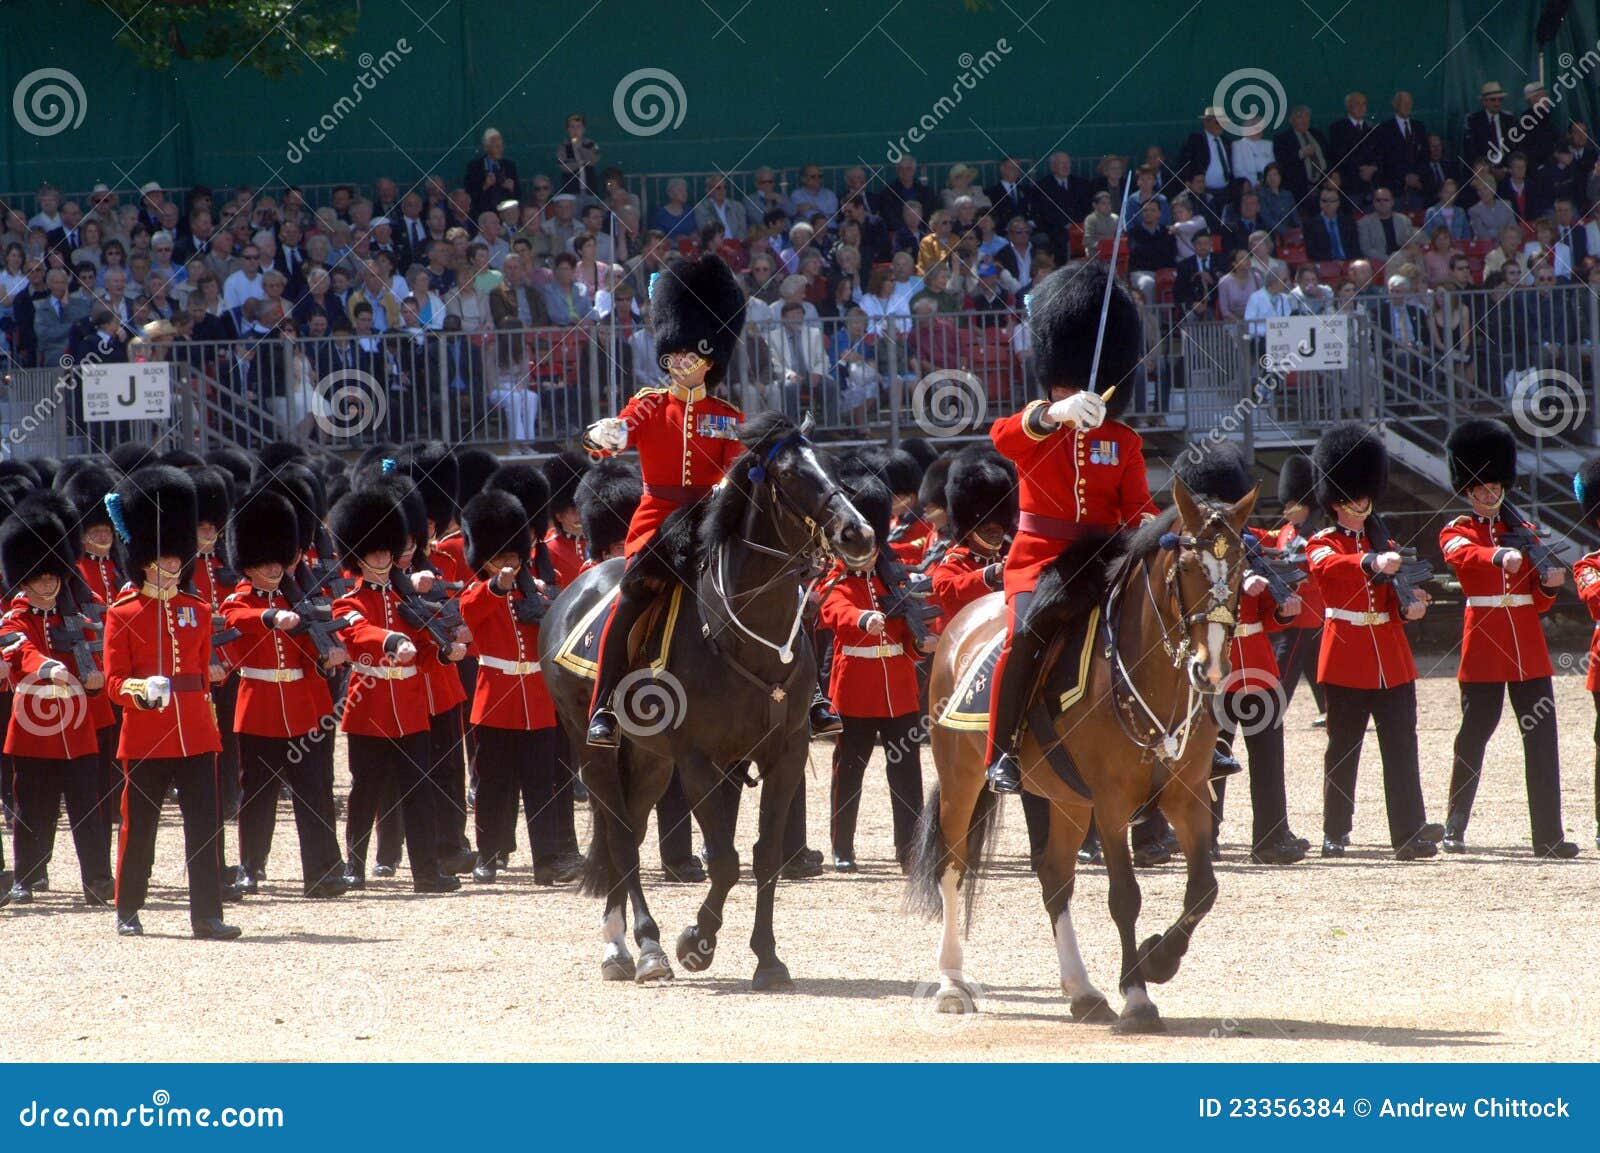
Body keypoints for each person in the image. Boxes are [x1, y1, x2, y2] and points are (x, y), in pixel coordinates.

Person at [984, 262, 1156, 793]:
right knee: (1023, 633)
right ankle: (1002, 750)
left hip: (1107, 557)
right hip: (1041, 556)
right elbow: (1003, 436)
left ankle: (1196, 741)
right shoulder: (1037, 427)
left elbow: (1138, 511)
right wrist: (1053, 413)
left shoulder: (1123, 441)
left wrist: (1160, 533)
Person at [102, 466, 240, 939]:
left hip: (197, 730)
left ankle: (207, 914)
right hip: (146, 733)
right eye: (163, 560)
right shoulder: (121, 615)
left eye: (177, 560)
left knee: (205, 826)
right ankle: (128, 907)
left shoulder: (197, 611)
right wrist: (142, 692)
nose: (173, 567)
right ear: (143, 562)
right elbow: (114, 682)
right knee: (139, 827)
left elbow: (201, 671)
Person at [1438, 420, 1576, 858]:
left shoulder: (1526, 531)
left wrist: (1551, 584)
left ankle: (1548, 836)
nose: (1488, 494)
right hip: (1484, 645)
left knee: (1542, 740)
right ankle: (1454, 825)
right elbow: (1463, 557)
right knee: (1474, 735)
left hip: (1528, 650)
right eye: (1480, 488)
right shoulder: (1457, 529)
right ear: (1467, 491)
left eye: (1494, 485)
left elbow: (1537, 603)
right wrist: (1501, 554)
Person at [1306, 424, 1443, 861]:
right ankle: (1335, 832)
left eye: (1365, 493)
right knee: (1344, 750)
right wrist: (1371, 561)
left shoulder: (1387, 543)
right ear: (1336, 499)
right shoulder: (1322, 542)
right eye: (1353, 494)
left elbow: (1395, 598)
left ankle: (1408, 831)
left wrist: (1411, 606)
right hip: (1346, 654)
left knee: (1401, 746)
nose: (1362, 501)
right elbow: (1331, 568)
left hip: (1392, 657)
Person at [331, 484, 462, 894]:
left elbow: (423, 648)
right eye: (375, 554)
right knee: (365, 790)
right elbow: (358, 634)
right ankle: (354, 865)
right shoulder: (348, 602)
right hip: (369, 707)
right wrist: (390, 641)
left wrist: (445, 652)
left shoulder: (405, 599)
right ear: (359, 557)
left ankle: (425, 870)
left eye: (387, 552)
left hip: (409, 707)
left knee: (419, 790)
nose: (384, 559)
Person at [221, 487, 350, 897]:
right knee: (257, 793)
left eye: (278, 561)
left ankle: (323, 870)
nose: (273, 569)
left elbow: (315, 645)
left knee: (315, 790)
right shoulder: (237, 600)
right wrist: (272, 615)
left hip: (303, 705)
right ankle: (250, 868)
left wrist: (328, 655)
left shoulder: (304, 597)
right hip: (259, 706)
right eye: (264, 563)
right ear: (248, 565)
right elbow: (236, 619)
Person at [0, 501, 116, 905]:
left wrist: (98, 675)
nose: (48, 585)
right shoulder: (14, 620)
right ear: (24, 580)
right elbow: (20, 651)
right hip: (33, 725)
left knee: (90, 806)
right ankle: (27, 877)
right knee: (33, 808)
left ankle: (99, 880)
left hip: (77, 724)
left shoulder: (77, 620)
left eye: (53, 577)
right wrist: (49, 666)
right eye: (39, 578)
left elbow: (100, 654)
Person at [1196, 444, 1306, 865]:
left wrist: (1281, 606)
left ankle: (1272, 836)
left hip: (1257, 659)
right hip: (1215, 661)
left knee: (1268, 752)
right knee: (1211, 754)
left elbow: (1273, 617)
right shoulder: (1199, 547)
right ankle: (1204, 834)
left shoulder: (1257, 542)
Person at [457, 489, 566, 883]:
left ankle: (547, 860)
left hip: (536, 699)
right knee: (493, 787)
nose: (508, 565)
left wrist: (546, 606)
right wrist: (498, 587)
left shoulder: (535, 590)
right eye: (500, 558)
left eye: (514, 557)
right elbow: (470, 612)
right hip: (496, 700)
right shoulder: (478, 592)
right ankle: (488, 855)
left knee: (541, 786)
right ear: (484, 560)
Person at [820, 475, 925, 872]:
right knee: (849, 772)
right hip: (856, 692)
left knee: (907, 775)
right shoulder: (838, 574)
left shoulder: (892, 573)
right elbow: (834, 610)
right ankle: (843, 848)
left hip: (898, 689)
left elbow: (909, 620)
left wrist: (920, 641)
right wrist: (863, 619)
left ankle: (910, 850)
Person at [1270, 456, 1326, 724]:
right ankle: (1330, 708)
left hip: (1307, 609)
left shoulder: (1317, 535)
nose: (1286, 511)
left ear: (1305, 506)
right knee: (1312, 663)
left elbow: (1321, 570)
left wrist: (1300, 581)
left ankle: (1273, 709)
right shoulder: (1286, 532)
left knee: (1287, 662)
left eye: (1291, 505)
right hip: (1291, 606)